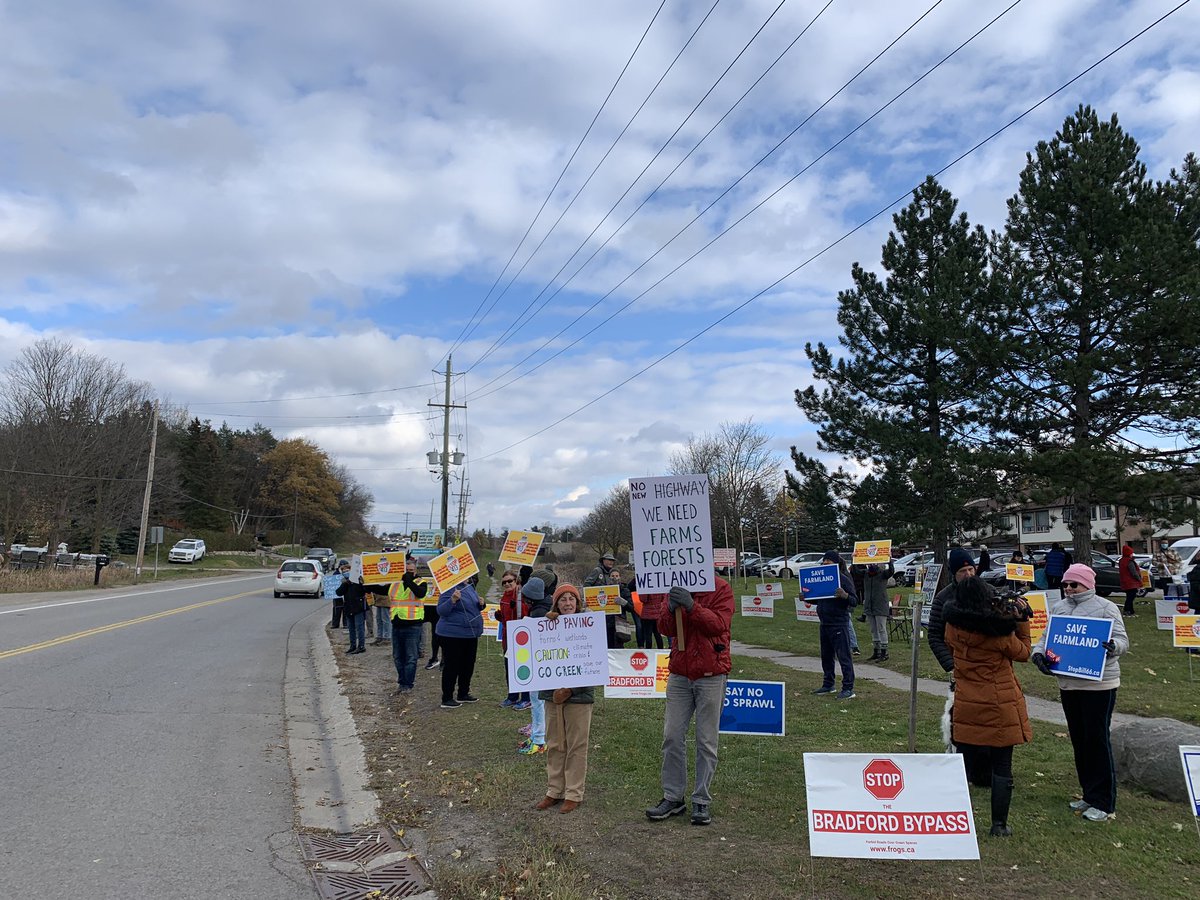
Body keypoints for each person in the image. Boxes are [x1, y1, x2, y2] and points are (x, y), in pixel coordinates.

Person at [1031, 563, 1129, 821]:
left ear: (1087, 584)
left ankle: (1104, 802)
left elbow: (1122, 640)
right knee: (1080, 740)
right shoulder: (1060, 608)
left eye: (1074, 584)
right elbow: (1045, 637)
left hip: (1099, 685)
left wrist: (1113, 647)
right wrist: (1038, 654)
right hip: (1069, 684)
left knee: (1097, 741)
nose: (1069, 589)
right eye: (1065, 584)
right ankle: (1089, 794)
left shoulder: (1107, 608)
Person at [943, 577, 1033, 837]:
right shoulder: (1000, 634)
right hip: (998, 703)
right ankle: (999, 825)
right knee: (1002, 766)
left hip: (968, 703)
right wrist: (1020, 619)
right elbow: (1024, 652)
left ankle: (958, 819)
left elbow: (951, 644)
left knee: (966, 765)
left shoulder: (952, 627)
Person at [645, 573, 734, 827]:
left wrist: (693, 607)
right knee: (672, 736)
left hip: (711, 674)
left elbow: (719, 625)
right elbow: (664, 628)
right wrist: (671, 608)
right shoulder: (672, 587)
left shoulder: (721, 588)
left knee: (707, 740)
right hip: (680, 674)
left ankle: (701, 799)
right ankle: (673, 797)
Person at [534, 584, 596, 814]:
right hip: (552, 696)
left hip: (579, 697)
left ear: (577, 603)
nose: (567, 603)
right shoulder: (547, 625)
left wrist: (571, 689)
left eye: (571, 599)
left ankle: (574, 793)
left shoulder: (588, 626)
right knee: (555, 743)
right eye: (563, 599)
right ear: (556, 603)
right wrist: (545, 628)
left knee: (577, 745)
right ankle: (554, 790)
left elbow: (593, 663)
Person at [809, 551, 858, 699]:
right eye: (824, 561)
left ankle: (848, 687)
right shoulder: (821, 580)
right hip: (824, 622)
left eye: (828, 561)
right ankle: (828, 684)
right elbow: (819, 600)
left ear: (835, 563)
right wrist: (807, 598)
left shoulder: (843, 579)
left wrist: (845, 595)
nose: (825, 564)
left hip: (839, 623)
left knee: (844, 657)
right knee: (826, 656)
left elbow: (854, 601)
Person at [436, 574, 485, 709]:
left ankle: (463, 693)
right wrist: (452, 600)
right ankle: (447, 698)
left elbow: (472, 608)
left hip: (470, 634)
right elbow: (441, 611)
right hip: (452, 634)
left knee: (468, 665)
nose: (468, 576)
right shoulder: (449, 589)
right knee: (452, 666)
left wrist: (481, 604)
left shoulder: (469, 587)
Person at [517, 576, 552, 753]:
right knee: (538, 700)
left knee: (537, 700)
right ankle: (537, 736)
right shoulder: (544, 606)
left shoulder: (538, 613)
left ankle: (539, 740)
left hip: (539, 663)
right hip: (543, 662)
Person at [387, 555, 429, 695]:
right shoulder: (396, 583)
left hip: (413, 625)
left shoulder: (421, 582)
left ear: (415, 571)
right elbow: (380, 589)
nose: (408, 572)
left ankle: (408, 684)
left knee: (411, 657)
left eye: (411, 570)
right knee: (398, 657)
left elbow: (420, 593)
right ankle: (402, 682)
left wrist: (409, 581)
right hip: (397, 624)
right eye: (406, 570)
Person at [496, 571, 529, 708]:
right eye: (504, 582)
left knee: (523, 668)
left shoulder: (522, 595)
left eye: (510, 581)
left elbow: (526, 614)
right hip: (507, 638)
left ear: (517, 581)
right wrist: (500, 617)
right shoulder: (504, 597)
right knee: (509, 668)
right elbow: (505, 618)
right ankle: (512, 696)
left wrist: (518, 607)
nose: (507, 584)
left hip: (521, 639)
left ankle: (526, 697)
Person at [336, 570, 388, 654]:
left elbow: (367, 590)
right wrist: (345, 584)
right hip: (349, 608)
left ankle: (361, 646)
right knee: (351, 628)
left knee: (359, 627)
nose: (346, 574)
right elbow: (338, 592)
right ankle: (352, 646)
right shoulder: (346, 584)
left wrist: (362, 582)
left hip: (358, 607)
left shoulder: (359, 582)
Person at [862, 561, 892, 661]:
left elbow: (891, 571)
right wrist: (856, 560)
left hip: (880, 605)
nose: (871, 565)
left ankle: (884, 652)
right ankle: (877, 650)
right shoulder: (866, 574)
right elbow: (856, 572)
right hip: (870, 606)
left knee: (881, 628)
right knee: (873, 629)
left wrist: (890, 561)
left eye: (873, 564)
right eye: (869, 564)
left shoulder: (882, 574)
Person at [1117, 544, 1142, 616]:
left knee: (1129, 596)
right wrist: (1139, 579)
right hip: (1131, 582)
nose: (1132, 554)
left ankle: (1131, 611)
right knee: (1131, 597)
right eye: (1131, 553)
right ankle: (1127, 610)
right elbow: (1134, 572)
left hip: (1125, 581)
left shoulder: (1122, 561)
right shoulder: (1129, 561)